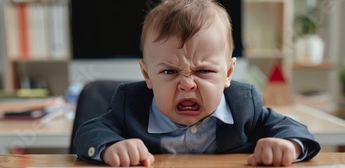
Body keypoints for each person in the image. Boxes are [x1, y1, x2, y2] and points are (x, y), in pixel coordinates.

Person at [74, 0, 321, 166]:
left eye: (203, 70)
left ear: (228, 73)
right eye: (170, 71)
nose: (187, 85)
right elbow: (88, 133)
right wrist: (110, 147)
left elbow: (296, 129)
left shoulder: (244, 104)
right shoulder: (131, 105)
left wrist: (289, 145)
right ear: (147, 75)